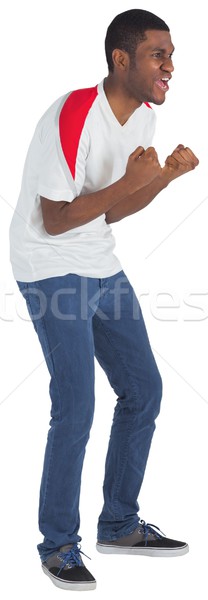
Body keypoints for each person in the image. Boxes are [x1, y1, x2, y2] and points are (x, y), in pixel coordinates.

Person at [9, 8, 199, 592]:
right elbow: (58, 217)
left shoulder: (142, 116)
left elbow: (113, 210)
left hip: (98, 258)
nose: (171, 66)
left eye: (172, 54)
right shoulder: (75, 112)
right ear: (122, 59)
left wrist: (162, 177)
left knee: (143, 389)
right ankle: (58, 546)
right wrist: (133, 182)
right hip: (48, 263)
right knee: (76, 407)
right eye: (158, 55)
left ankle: (117, 523)